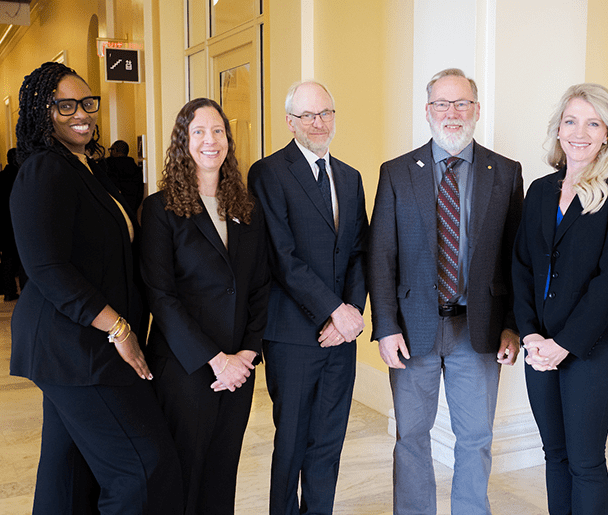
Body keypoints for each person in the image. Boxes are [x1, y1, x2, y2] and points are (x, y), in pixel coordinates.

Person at [8, 61, 182, 514]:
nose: (81, 113)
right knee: (144, 467)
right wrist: (120, 331)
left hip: (81, 344)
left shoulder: (85, 167)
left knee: (68, 474)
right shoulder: (44, 169)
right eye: (64, 105)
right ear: (40, 112)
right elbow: (47, 268)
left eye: (87, 102)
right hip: (77, 345)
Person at [368, 68, 523, 514]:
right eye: (442, 104)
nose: (451, 113)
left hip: (478, 330)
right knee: (411, 437)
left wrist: (512, 326)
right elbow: (381, 255)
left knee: (475, 438)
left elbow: (517, 259)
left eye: (461, 104)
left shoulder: (506, 172)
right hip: (411, 331)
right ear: (427, 110)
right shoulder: (397, 172)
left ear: (477, 109)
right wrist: (385, 328)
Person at [511, 83, 608, 514]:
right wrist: (531, 335)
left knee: (585, 462)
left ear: (607, 133)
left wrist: (562, 344)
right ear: (558, 129)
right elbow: (522, 267)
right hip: (539, 347)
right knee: (555, 455)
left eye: (592, 122)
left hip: (592, 349)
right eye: (571, 121)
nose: (580, 132)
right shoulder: (540, 190)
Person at [140, 98, 270, 514]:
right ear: (183, 141)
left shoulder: (246, 209)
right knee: (185, 474)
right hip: (187, 367)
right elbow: (160, 296)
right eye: (198, 132)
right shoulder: (160, 210)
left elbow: (260, 287)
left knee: (222, 472)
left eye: (217, 131)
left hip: (239, 369)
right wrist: (216, 360)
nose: (210, 140)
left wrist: (246, 355)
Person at [248, 80, 368, 515]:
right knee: (292, 443)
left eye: (326, 114)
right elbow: (282, 256)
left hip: (341, 336)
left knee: (328, 442)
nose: (318, 123)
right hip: (294, 334)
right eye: (307, 116)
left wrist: (351, 313)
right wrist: (334, 311)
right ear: (290, 122)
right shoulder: (268, 172)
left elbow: (359, 251)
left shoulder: (350, 178)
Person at [0, 148, 24, 300]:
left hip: (3, 223)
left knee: (8, 258)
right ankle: (25, 291)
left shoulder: (1, 176)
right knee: (22, 259)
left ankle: (8, 291)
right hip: (17, 222)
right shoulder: (19, 175)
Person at [105, 139, 144, 213]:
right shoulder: (135, 169)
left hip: (111, 211)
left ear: (115, 150)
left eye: (111, 149)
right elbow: (139, 194)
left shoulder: (106, 166)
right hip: (131, 210)